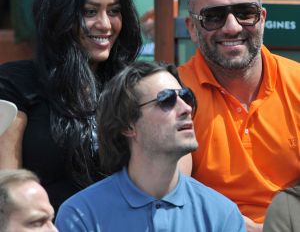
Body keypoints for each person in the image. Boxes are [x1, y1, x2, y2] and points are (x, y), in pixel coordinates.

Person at [0, 0, 142, 212]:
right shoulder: (13, 84)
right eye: (90, 12)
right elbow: (7, 194)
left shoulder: (133, 87)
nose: (106, 24)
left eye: (114, 11)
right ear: (59, 14)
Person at [178, 0, 300, 232]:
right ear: (191, 29)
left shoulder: (297, 83)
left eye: (245, 13)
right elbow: (171, 191)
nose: (232, 27)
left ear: (263, 18)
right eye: (214, 16)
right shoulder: (174, 92)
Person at [55, 61, 246, 232]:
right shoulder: (81, 216)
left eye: (186, 97)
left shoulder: (221, 214)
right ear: (128, 125)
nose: (186, 108)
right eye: (167, 100)